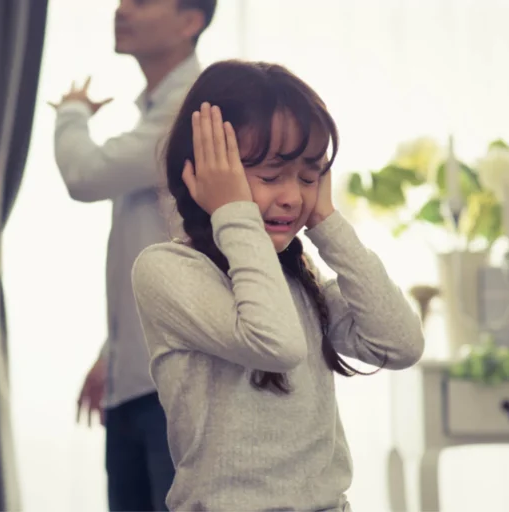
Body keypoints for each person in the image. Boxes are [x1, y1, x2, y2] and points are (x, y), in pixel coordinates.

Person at [131, 60, 425, 512]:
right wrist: (233, 210)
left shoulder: (296, 277)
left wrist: (326, 222)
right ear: (206, 176)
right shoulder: (167, 269)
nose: (292, 196)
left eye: (308, 177)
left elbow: (401, 344)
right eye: (270, 176)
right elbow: (276, 343)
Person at [49, 0, 216, 509]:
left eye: (141, 1)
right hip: (139, 377)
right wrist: (112, 352)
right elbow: (160, 245)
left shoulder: (191, 108)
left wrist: (72, 112)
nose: (121, 9)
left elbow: (85, 174)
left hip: (172, 388)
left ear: (191, 21)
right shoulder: (161, 109)